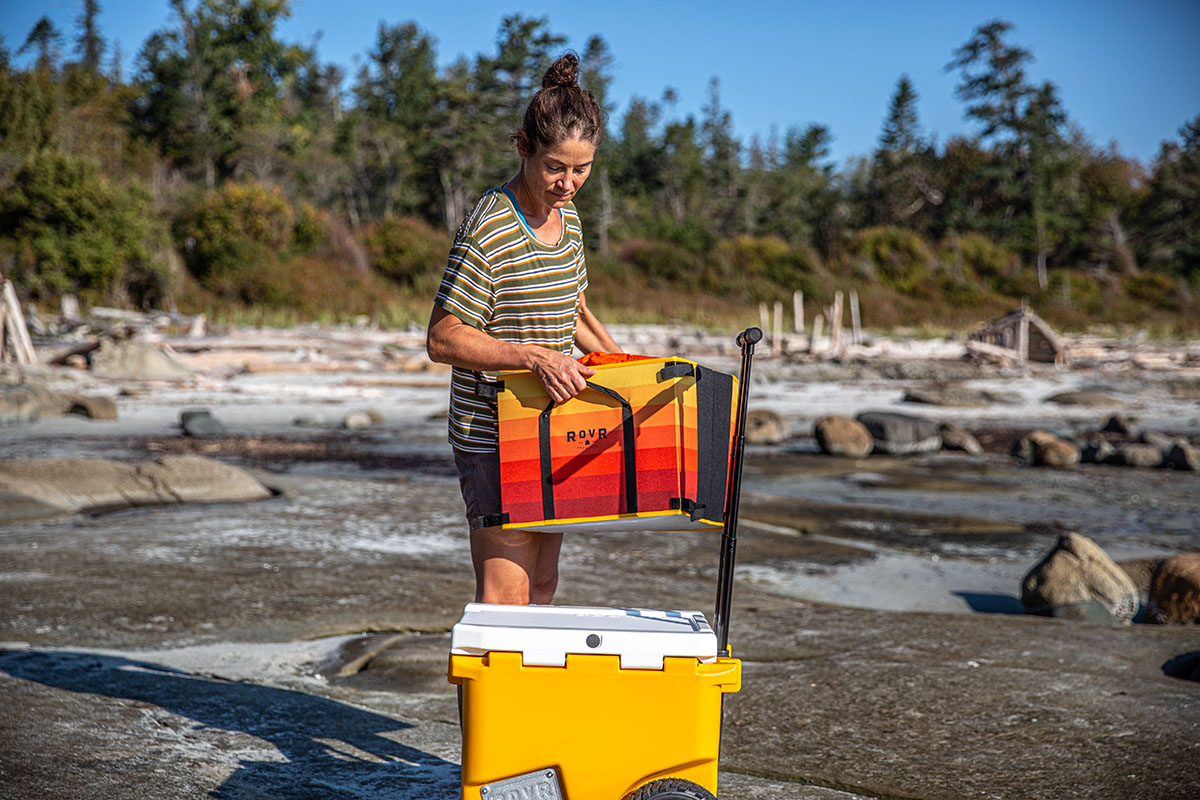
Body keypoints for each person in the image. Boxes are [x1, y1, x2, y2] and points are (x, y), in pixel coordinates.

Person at [426, 52, 621, 607]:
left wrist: (631, 373)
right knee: (506, 592)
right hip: (492, 434)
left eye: (581, 169)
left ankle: (531, 696)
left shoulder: (573, 221)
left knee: (543, 586)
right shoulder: (489, 225)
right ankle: (491, 696)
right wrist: (534, 358)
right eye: (555, 166)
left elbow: (574, 311)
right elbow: (443, 338)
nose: (568, 183)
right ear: (524, 149)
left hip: (554, 428)